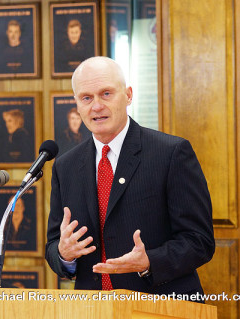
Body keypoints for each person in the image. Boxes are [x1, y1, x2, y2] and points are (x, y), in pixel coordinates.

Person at [45, 57, 215, 296]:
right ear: (77, 104)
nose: (96, 106)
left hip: (159, 305)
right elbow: (53, 245)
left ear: (128, 95)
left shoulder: (171, 153)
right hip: (93, 308)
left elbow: (200, 241)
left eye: (106, 94)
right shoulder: (65, 166)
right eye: (86, 98)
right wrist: (64, 254)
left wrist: (149, 262)